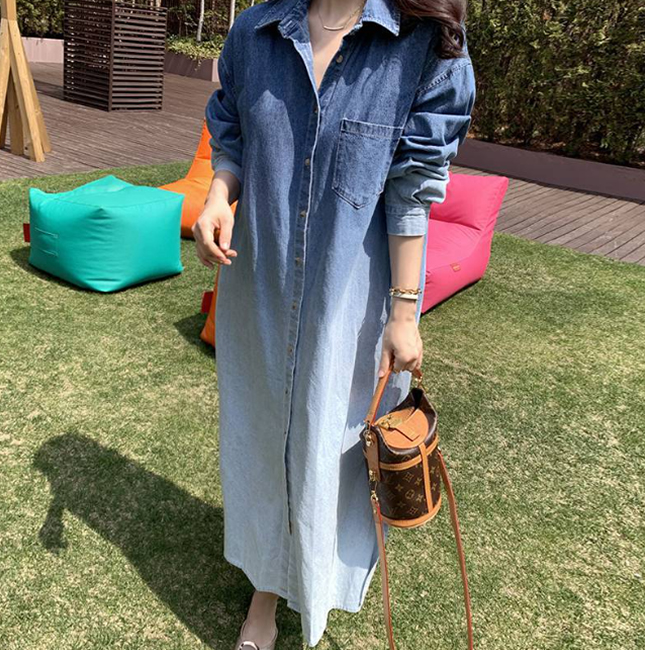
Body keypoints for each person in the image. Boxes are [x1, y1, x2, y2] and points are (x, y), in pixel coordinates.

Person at [193, 0, 476, 647]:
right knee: (265, 439)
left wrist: (404, 312)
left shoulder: (426, 45)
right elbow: (232, 132)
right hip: (260, 282)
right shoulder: (255, 32)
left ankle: (316, 585)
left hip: (352, 294)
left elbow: (414, 186)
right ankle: (264, 597)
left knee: (333, 447)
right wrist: (218, 197)